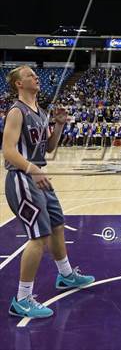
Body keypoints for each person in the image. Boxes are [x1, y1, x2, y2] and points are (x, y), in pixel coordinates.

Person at [3, 66, 94, 319]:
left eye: (35, 74)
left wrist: (59, 124)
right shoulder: (16, 111)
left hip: (39, 175)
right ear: (19, 84)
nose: (36, 77)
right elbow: (8, 151)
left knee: (57, 225)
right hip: (23, 178)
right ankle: (21, 299)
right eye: (30, 75)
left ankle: (65, 275)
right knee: (38, 237)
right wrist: (33, 170)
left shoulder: (41, 112)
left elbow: (50, 148)